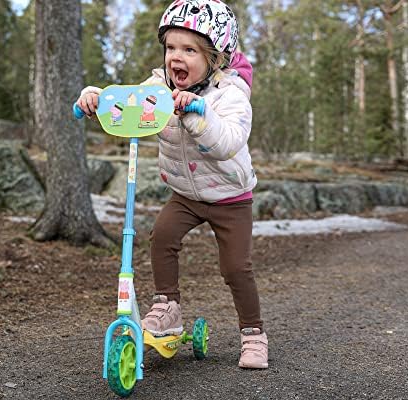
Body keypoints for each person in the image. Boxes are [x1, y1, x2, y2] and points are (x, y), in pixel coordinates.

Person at [75, 0, 267, 369]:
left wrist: (198, 114)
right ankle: (167, 307)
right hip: (186, 195)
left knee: (235, 268)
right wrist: (96, 98)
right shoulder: (158, 88)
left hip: (230, 197)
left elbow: (228, 143)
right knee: (162, 236)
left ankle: (253, 333)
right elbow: (126, 104)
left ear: (214, 59)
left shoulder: (230, 94)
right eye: (171, 47)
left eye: (190, 50)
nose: (176, 57)